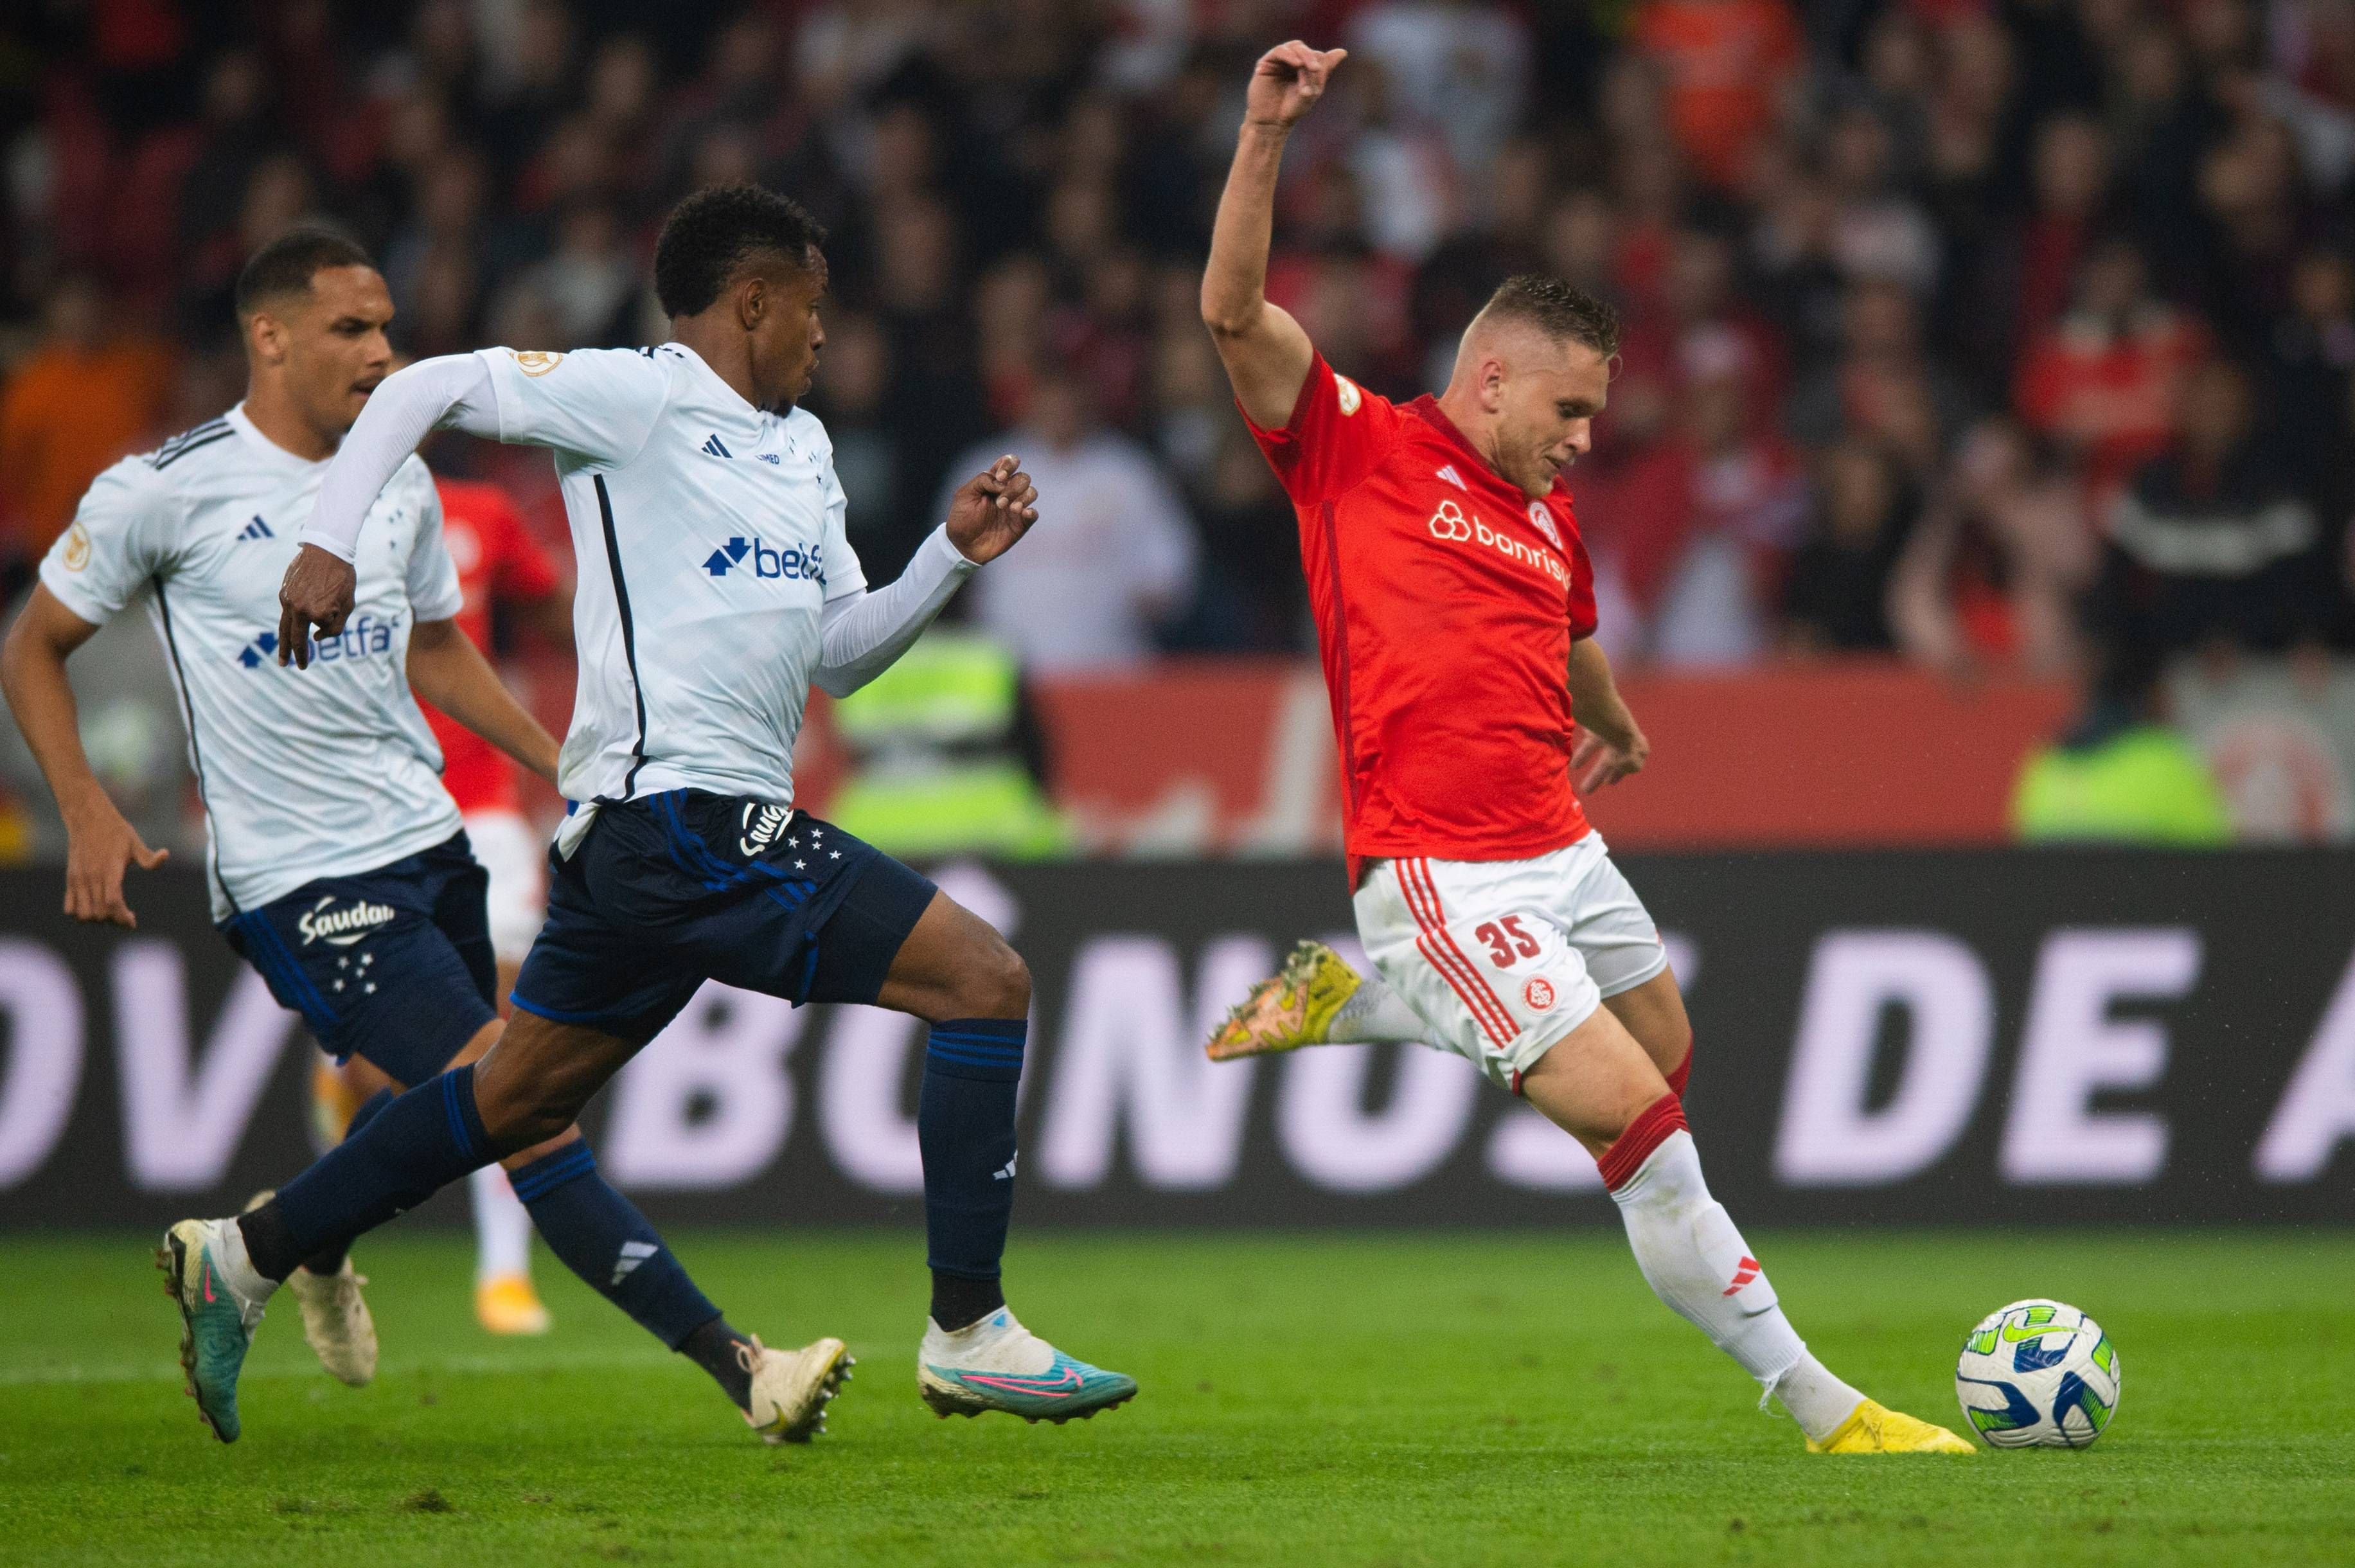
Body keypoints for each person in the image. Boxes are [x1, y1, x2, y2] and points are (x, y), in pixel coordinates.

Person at [166, 185, 1135, 1445]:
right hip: (679, 814)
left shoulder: (804, 451)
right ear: (753, 301)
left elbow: (840, 655)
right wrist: (329, 539)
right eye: (812, 308)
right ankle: (967, 1329)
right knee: (985, 976)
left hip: (663, 847)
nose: (824, 334)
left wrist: (946, 561)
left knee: (511, 1098)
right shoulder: (636, 396)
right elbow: (416, 390)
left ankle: (242, 1253)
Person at [1196, 42, 1971, 1456]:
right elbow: (1232, 309)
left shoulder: (1548, 519)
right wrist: (1263, 132)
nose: (1585, 439)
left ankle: (1351, 1003)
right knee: (1644, 1136)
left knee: (1666, 1052)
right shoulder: (1357, 447)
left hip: (1561, 843)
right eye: (1569, 411)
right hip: (1442, 868)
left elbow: (1566, 632)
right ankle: (1823, 1404)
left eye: (1598, 415)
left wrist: (1610, 717)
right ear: (1489, 380)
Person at [0, 229, 842, 1447]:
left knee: (490, 1103)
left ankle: (292, 1241)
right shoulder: (165, 489)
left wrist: (564, 762)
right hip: (295, 876)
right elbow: (32, 644)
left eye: (388, 327)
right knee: (518, 1101)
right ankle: (741, 1367)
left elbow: (435, 646)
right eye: (352, 329)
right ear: (269, 336)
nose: (383, 352)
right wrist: (83, 804)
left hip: (430, 840)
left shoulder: (393, 482)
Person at [311, 468, 573, 1337]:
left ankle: (502, 1270)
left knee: (509, 1039)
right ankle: (324, 1225)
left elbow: (550, 612)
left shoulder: (485, 511)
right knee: (395, 1062)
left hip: (487, 806)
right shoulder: (300, 512)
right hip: (371, 807)